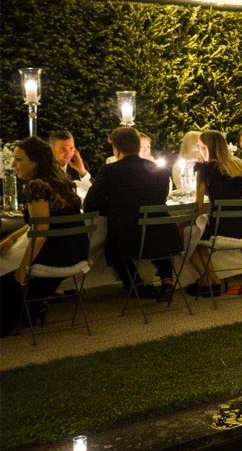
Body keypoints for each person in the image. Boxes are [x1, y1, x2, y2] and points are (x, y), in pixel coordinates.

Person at [1, 137, 89, 337]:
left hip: (54, 255)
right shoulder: (61, 181)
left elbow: (40, 231)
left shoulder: (36, 186)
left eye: (19, 160)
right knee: (9, 253)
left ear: (36, 161)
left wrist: (22, 270)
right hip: (76, 251)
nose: (13, 165)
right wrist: (12, 238)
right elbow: (44, 222)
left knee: (4, 265)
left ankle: (18, 313)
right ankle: (31, 309)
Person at [84, 127, 181, 302]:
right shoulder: (160, 170)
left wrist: (113, 207)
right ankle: (167, 281)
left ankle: (136, 286)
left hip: (128, 236)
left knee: (114, 247)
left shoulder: (109, 171)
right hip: (164, 234)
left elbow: (90, 204)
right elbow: (160, 198)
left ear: (116, 149)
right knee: (154, 232)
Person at [189, 130, 242, 295]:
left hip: (221, 228)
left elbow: (198, 206)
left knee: (188, 237)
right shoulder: (238, 165)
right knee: (196, 235)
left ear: (207, 148)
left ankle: (212, 279)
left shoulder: (205, 170)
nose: (200, 151)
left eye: (201, 147)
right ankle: (209, 280)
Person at [48, 130, 92, 197]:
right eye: (63, 149)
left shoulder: (79, 165)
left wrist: (82, 171)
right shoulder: (45, 167)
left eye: (71, 148)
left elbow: (95, 191)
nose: (68, 153)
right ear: (51, 149)